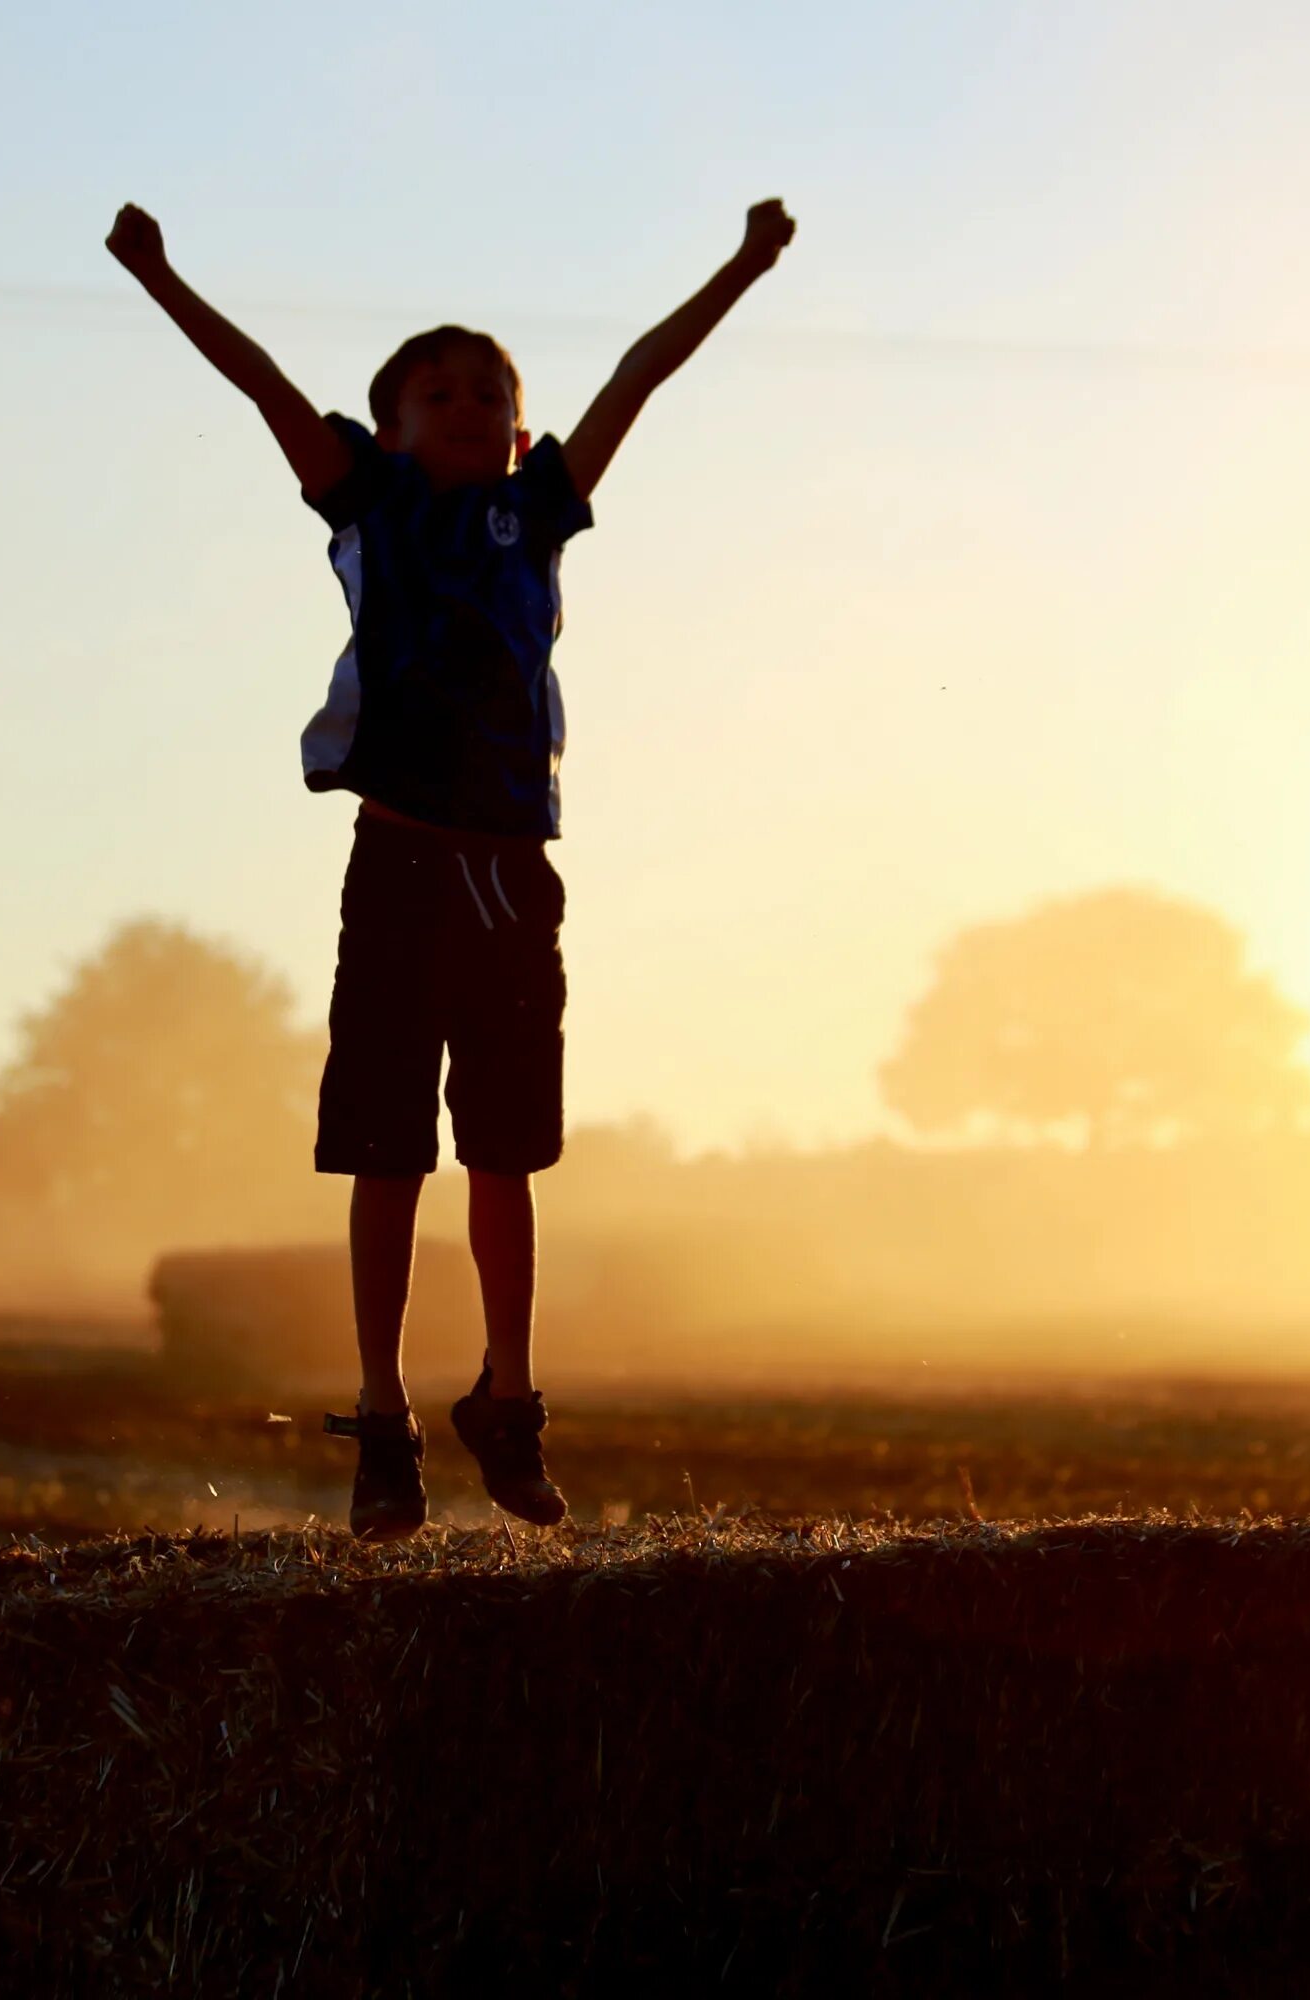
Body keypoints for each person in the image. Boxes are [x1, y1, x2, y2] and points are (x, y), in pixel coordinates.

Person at [108, 197, 797, 1539]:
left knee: (506, 1160)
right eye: (439, 392)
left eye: (492, 390)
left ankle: (510, 1397)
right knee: (387, 1156)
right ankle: (382, 1415)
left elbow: (640, 374)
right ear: (396, 428)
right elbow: (257, 381)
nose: (470, 403)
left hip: (512, 884)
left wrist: (742, 265)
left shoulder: (537, 513)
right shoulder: (369, 503)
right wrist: (161, 276)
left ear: (521, 430)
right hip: (401, 872)